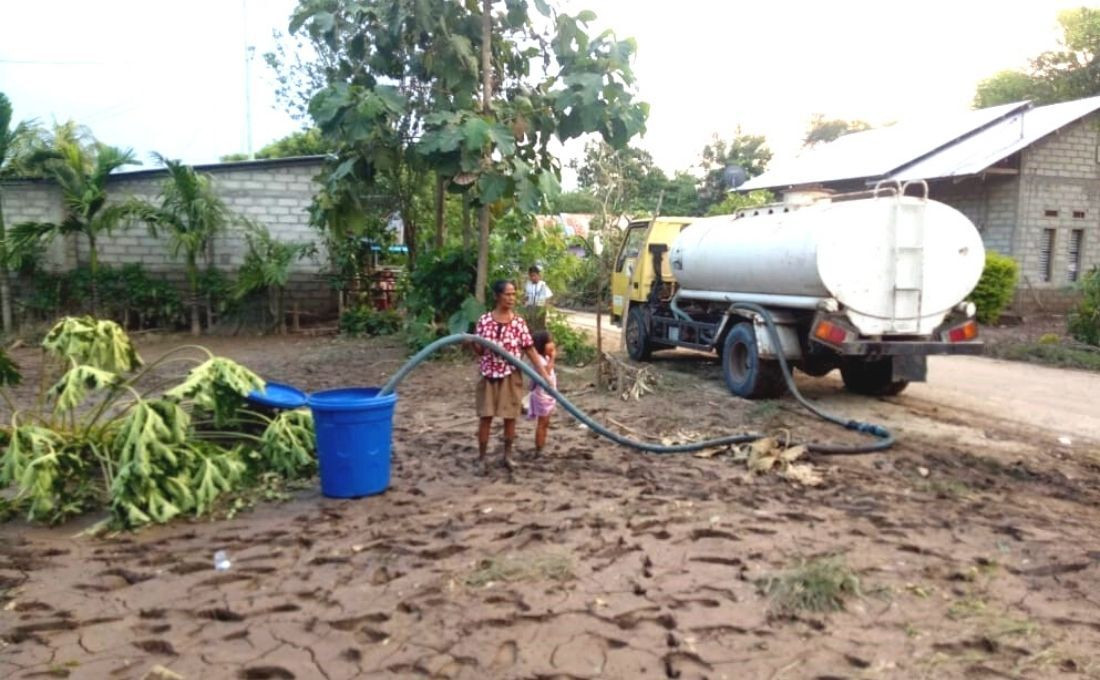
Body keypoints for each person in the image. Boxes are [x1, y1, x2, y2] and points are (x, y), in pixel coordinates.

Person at [472, 280, 550, 474]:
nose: (511, 298)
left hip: (511, 375)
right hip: (488, 375)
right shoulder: (484, 321)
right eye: (507, 294)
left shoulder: (518, 323)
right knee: (486, 416)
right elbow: (480, 351)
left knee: (510, 417)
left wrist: (544, 374)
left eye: (513, 294)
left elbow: (530, 349)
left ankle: (507, 456)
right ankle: (481, 458)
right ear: (497, 296)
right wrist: (471, 342)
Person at [527, 330, 557, 458]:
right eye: (549, 342)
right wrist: (553, 357)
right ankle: (539, 449)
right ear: (541, 345)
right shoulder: (538, 359)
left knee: (545, 423)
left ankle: (541, 446)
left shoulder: (544, 357)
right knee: (542, 423)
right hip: (541, 395)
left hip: (547, 395)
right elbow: (546, 372)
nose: (553, 344)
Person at [524, 265, 553, 331]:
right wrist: (524, 304)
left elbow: (548, 296)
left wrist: (544, 307)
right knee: (529, 324)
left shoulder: (543, 285)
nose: (533, 278)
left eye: (534, 275)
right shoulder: (528, 285)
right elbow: (526, 296)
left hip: (540, 308)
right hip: (529, 307)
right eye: (531, 276)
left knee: (540, 325)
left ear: (538, 275)